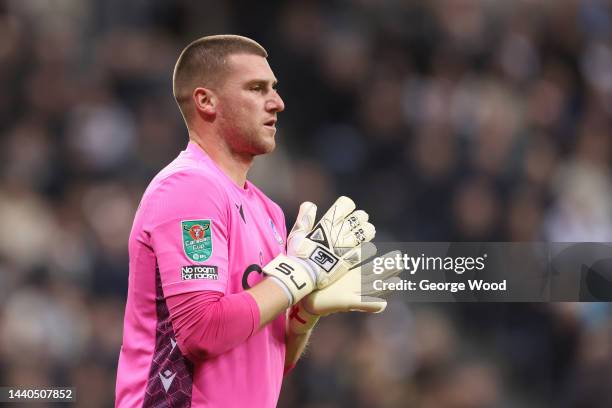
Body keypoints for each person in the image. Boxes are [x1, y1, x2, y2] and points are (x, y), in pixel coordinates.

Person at [115, 34, 397, 408]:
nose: (277, 103)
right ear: (206, 101)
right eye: (256, 88)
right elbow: (203, 330)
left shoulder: (269, 211)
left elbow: (267, 365)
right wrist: (301, 273)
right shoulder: (189, 188)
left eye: (274, 89)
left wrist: (302, 316)